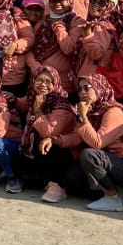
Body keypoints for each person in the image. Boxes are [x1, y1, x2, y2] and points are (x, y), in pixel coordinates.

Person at [62, 75, 123, 212]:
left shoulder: (113, 111)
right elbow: (79, 137)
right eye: (80, 89)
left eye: (87, 88)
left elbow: (97, 143)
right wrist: (58, 140)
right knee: (72, 176)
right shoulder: (93, 111)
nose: (83, 92)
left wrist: (83, 118)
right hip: (114, 162)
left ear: (99, 88)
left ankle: (113, 198)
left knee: (89, 155)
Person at [18, 66, 79, 203]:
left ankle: (57, 186)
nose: (43, 85)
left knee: (49, 144)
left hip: (64, 151)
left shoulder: (61, 104)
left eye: (48, 81)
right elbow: (20, 103)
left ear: (55, 83)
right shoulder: (34, 98)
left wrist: (38, 111)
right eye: (39, 80)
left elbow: (49, 132)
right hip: (40, 147)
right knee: (20, 157)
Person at [26, 0, 79, 92]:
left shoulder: (76, 21)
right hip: (39, 80)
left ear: (69, 0)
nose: (57, 4)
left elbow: (68, 49)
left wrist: (59, 27)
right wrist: (36, 68)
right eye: (53, 0)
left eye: (61, 0)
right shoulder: (43, 21)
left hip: (63, 83)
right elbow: (29, 47)